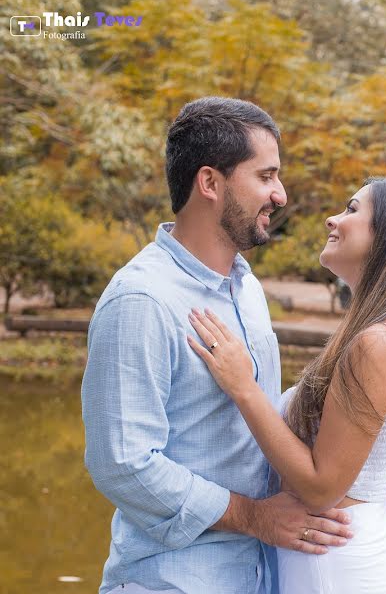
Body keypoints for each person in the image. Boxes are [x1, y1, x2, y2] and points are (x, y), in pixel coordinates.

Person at [81, 97, 352, 594]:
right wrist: (254, 517)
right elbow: (122, 462)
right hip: (173, 581)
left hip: (262, 575)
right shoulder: (141, 299)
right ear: (210, 182)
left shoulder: (246, 287)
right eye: (266, 176)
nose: (281, 194)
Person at [186, 177, 386, 593]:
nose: (333, 219)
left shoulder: (380, 345)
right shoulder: (381, 334)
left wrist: (243, 387)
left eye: (351, 210)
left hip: (342, 572)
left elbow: (320, 488)